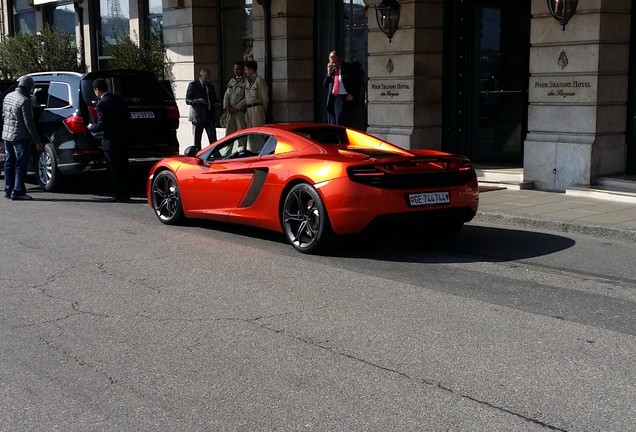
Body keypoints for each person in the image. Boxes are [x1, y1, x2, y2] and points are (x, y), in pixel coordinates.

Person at [87, 78, 130, 202]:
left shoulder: (101, 104)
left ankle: (118, 195)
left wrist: (91, 127)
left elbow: (101, 125)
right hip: (123, 138)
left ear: (97, 89)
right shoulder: (119, 99)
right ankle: (126, 194)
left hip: (110, 141)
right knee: (124, 168)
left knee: (114, 169)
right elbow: (127, 117)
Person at [2, 75, 43, 201]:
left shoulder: (8, 96)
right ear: (28, 87)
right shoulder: (24, 100)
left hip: (7, 135)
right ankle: (18, 191)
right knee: (21, 164)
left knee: (9, 162)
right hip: (20, 137)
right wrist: (37, 141)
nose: (31, 90)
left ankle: (8, 189)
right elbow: (28, 123)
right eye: (31, 87)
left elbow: (4, 115)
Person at [323, 50, 362, 126]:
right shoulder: (331, 70)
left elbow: (358, 82)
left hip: (343, 97)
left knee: (340, 121)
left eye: (336, 61)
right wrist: (328, 73)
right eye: (332, 62)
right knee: (332, 122)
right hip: (332, 97)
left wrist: (352, 94)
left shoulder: (348, 68)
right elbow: (325, 85)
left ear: (340, 60)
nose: (334, 64)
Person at [186, 68, 218, 149]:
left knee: (213, 139)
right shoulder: (193, 85)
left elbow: (214, 99)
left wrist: (215, 104)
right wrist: (197, 101)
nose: (207, 80)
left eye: (208, 78)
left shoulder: (210, 87)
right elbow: (188, 100)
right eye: (205, 78)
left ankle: (215, 155)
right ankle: (197, 155)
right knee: (197, 140)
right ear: (200, 77)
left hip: (209, 115)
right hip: (198, 116)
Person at [223, 61, 248, 136]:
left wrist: (237, 108)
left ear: (242, 70)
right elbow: (227, 95)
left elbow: (247, 97)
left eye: (238, 69)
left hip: (240, 111)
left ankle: (241, 147)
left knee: (241, 132)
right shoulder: (232, 81)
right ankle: (228, 147)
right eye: (234, 69)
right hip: (230, 111)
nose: (236, 71)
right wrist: (226, 107)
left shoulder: (246, 81)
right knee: (229, 133)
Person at [244, 60, 269, 127]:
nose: (245, 72)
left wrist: (262, 109)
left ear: (251, 69)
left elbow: (264, 97)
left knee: (257, 132)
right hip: (248, 110)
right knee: (249, 133)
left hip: (257, 109)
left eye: (246, 70)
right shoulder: (248, 82)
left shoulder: (259, 80)